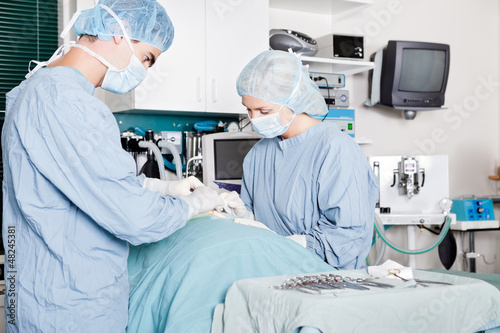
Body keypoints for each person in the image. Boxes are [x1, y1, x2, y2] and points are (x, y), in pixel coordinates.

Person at [2, 0, 222, 331]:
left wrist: (158, 186)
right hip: (73, 307)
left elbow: (80, 186)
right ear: (119, 33)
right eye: (147, 58)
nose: (145, 71)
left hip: (39, 293)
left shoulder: (33, 91)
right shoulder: (70, 103)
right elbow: (135, 218)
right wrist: (193, 204)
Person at [232, 50, 379, 270]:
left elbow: (349, 234)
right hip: (271, 275)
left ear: (294, 100)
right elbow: (255, 216)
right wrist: (241, 214)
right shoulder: (257, 154)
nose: (254, 120)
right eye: (248, 110)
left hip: (327, 282)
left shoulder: (335, 149)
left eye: (264, 110)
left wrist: (294, 245)